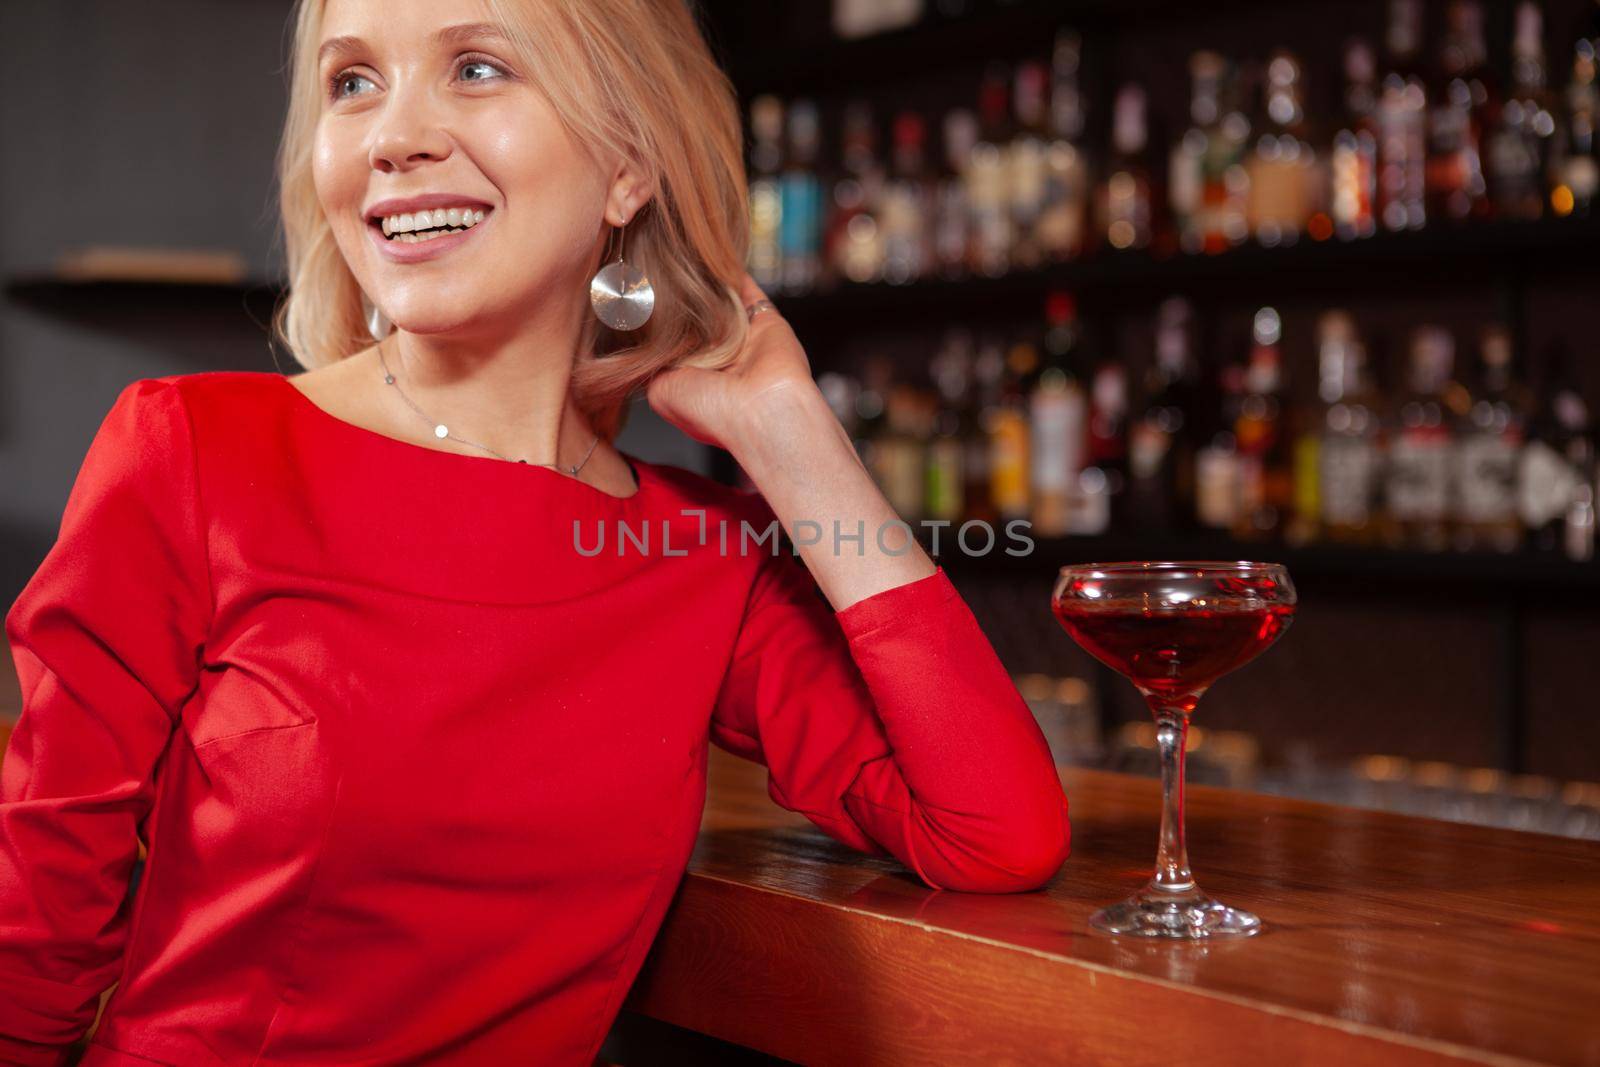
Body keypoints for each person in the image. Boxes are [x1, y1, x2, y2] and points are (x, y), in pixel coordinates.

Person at [0, 0, 1072, 1063]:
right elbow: (33, 934)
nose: (394, 135)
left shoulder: (702, 556)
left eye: (475, 69)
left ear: (626, 167)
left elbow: (993, 830)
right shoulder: (195, 452)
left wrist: (791, 434)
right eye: (351, 81)